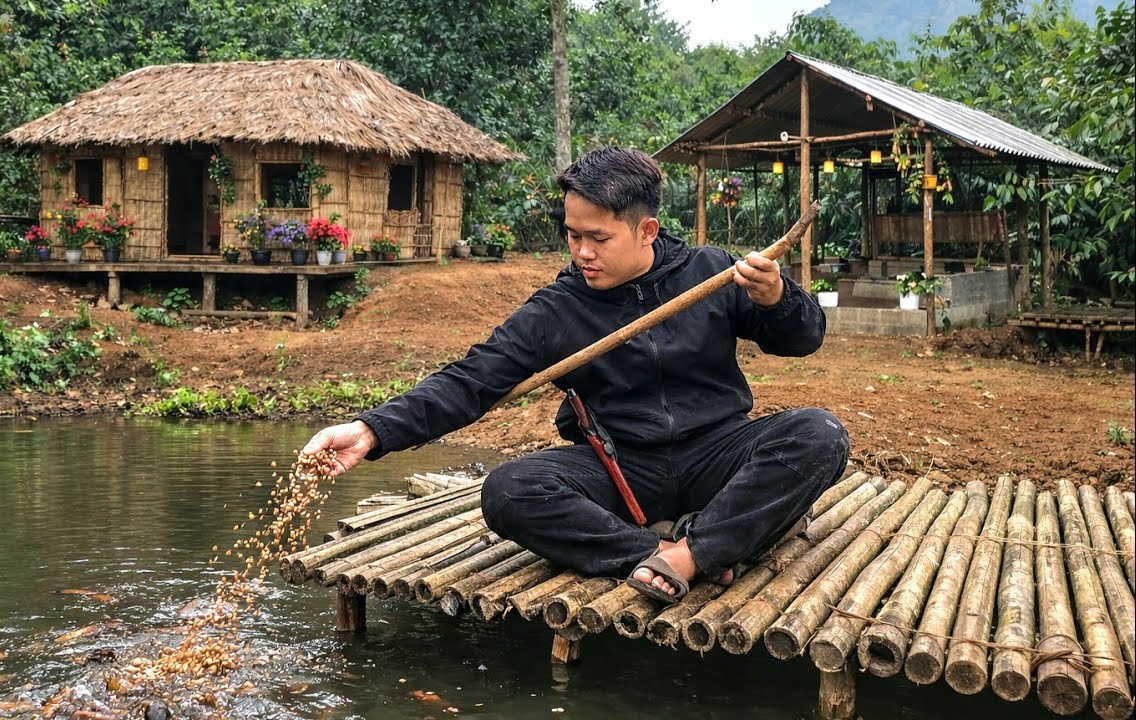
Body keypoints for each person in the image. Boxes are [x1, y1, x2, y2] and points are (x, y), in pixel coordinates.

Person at [302, 147, 849, 604]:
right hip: (622, 467)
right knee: (510, 490)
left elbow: (802, 340)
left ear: (646, 231)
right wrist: (371, 431)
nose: (583, 252)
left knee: (818, 434)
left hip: (717, 452)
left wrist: (778, 298)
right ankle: (667, 553)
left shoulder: (712, 273)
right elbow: (471, 380)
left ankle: (691, 552)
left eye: (599, 238)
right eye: (572, 236)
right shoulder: (558, 309)